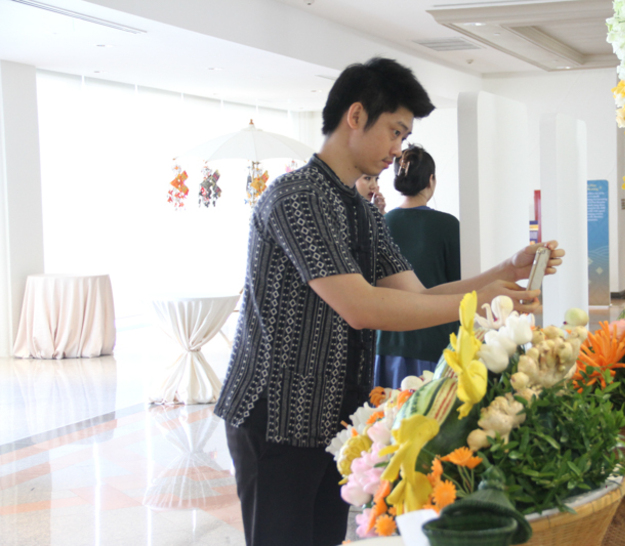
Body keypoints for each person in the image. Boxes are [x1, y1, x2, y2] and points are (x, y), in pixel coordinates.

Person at [214, 57, 564, 546]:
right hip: (277, 414)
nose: (398, 149)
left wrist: (504, 271)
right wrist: (476, 301)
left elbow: (417, 296)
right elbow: (361, 307)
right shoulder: (295, 197)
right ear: (356, 116)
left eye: (404, 136)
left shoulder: (360, 211)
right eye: (395, 132)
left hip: (333, 417)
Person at [374, 145, 459, 388]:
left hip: (386, 345)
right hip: (434, 346)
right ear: (431, 180)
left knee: (386, 410)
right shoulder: (448, 226)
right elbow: (460, 287)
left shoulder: (381, 224)